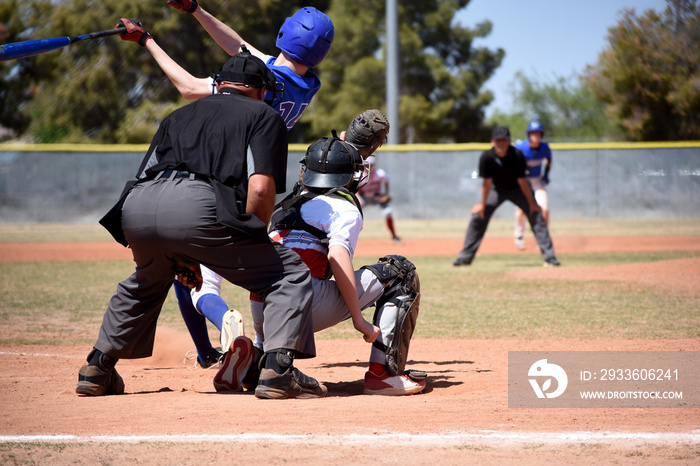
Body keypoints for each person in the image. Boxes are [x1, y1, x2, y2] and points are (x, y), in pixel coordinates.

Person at [76, 50, 327, 400]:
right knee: (288, 273)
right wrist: (253, 238)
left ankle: (97, 368)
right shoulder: (263, 115)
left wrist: (183, 252)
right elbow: (260, 187)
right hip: (197, 204)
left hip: (138, 206)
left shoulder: (176, 116)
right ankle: (277, 370)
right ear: (259, 90)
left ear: (220, 84)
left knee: (147, 281)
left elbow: (144, 178)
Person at [115, 6, 334, 368]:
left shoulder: (266, 81)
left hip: (218, 185)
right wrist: (196, 10)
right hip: (255, 184)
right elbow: (240, 46)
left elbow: (188, 87)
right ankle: (214, 353)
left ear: (284, 33)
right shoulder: (305, 83)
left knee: (191, 275)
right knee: (230, 271)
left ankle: (221, 330)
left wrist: (147, 41)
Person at [213, 132, 426, 397]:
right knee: (401, 272)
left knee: (275, 331)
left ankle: (254, 359)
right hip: (304, 301)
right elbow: (337, 257)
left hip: (261, 304)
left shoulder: (285, 206)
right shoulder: (342, 206)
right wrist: (359, 320)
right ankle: (382, 375)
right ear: (351, 175)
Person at [453, 126, 560, 267]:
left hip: (518, 189)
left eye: (504, 140)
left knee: (536, 214)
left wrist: (532, 203)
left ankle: (550, 257)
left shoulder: (517, 155)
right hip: (496, 190)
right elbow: (487, 183)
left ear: (509, 141)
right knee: (478, 216)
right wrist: (482, 205)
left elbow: (523, 182)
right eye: (498, 140)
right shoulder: (487, 157)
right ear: (492, 142)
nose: (501, 143)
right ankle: (464, 258)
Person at [513, 121, 553, 250]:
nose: (535, 135)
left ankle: (542, 238)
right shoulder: (521, 147)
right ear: (528, 134)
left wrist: (546, 175)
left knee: (544, 209)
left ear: (541, 135)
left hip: (537, 180)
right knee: (521, 209)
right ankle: (519, 235)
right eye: (533, 133)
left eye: (538, 133)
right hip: (524, 181)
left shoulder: (545, 148)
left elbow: (549, 162)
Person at [356, 155, 401, 243]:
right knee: (354, 213)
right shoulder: (359, 175)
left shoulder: (380, 174)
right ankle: (351, 236)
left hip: (376, 197)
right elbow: (354, 188)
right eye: (366, 165)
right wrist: (358, 199)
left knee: (388, 212)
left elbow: (386, 182)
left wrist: (386, 195)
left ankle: (394, 236)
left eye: (370, 165)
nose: (368, 167)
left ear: (374, 165)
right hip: (363, 197)